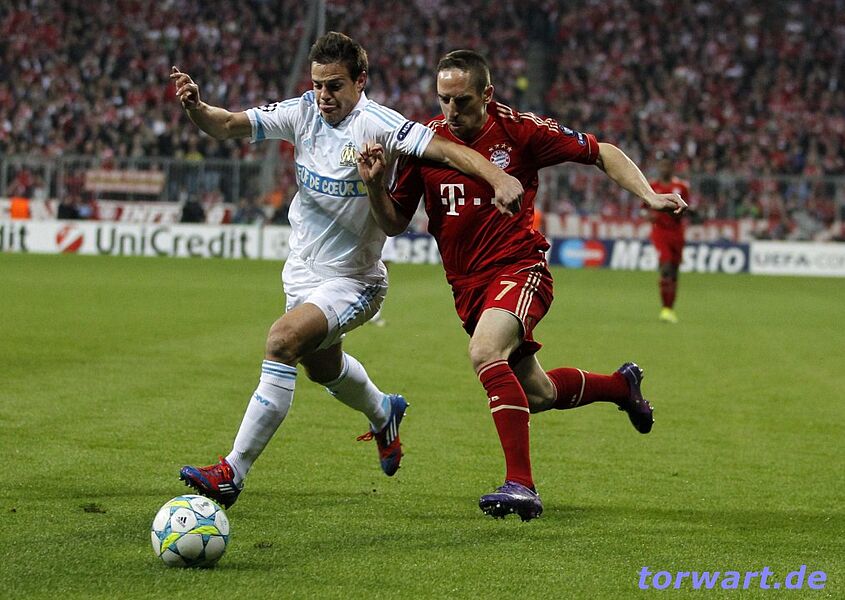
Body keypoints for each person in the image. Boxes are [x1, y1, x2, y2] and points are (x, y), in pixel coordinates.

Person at [170, 33, 523, 508]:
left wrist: (498, 176)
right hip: (301, 273)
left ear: (360, 81)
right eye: (317, 84)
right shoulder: (301, 112)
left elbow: (445, 150)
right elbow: (228, 123)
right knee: (323, 367)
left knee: (282, 341)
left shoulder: (379, 124)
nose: (323, 95)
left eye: (334, 85)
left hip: (355, 280)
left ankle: (233, 471)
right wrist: (196, 107)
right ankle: (383, 412)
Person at [357, 50, 687, 520]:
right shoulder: (423, 144)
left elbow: (601, 152)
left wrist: (648, 195)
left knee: (485, 352)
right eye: (444, 99)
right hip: (467, 287)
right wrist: (374, 186)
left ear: (487, 94)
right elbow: (393, 223)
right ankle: (621, 386)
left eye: (462, 100)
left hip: (519, 267)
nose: (451, 110)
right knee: (538, 394)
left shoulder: (519, 130)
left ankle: (521, 485)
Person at [648, 151, 690, 323]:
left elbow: (687, 208)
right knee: (665, 267)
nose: (664, 168)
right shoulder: (652, 186)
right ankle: (665, 309)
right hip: (660, 232)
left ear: (672, 167)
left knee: (674, 271)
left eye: (667, 165)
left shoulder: (681, 187)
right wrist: (648, 215)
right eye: (661, 165)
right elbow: (643, 207)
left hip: (677, 233)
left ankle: (669, 308)